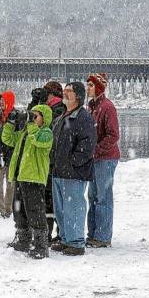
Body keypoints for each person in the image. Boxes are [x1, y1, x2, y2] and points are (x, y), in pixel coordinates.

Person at [50, 82, 97, 256]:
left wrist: (72, 161)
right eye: (65, 91)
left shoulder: (84, 118)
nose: (65, 93)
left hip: (74, 172)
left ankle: (76, 242)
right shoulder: (63, 116)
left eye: (69, 91)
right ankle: (65, 238)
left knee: (74, 207)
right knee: (61, 209)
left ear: (78, 95)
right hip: (59, 171)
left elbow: (88, 145)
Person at [2, 104, 53, 259]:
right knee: (19, 210)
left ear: (44, 119)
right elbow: (7, 139)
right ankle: (23, 239)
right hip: (20, 177)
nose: (32, 118)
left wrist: (30, 124)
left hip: (34, 178)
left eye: (36, 116)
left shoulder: (46, 133)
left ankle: (41, 245)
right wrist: (10, 123)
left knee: (35, 211)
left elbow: (39, 141)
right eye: (32, 115)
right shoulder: (25, 133)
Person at [86, 73, 120, 247]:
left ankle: (103, 236)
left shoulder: (107, 107)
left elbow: (113, 135)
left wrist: (96, 150)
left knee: (103, 197)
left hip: (106, 159)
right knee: (92, 196)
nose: (88, 88)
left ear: (99, 87)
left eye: (91, 85)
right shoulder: (91, 107)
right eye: (88, 85)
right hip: (95, 158)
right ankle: (93, 233)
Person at [42, 81, 66, 243]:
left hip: (54, 162)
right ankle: (50, 233)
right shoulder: (49, 109)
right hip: (49, 161)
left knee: (52, 199)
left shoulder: (58, 110)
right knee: (50, 199)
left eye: (46, 93)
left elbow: (48, 130)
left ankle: (56, 234)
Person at [0, 90, 16, 218]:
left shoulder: (16, 115)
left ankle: (9, 208)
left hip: (11, 154)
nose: (2, 103)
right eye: (0, 101)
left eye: (4, 101)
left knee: (10, 183)